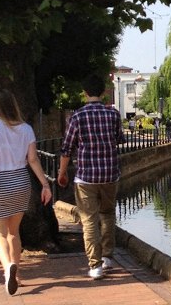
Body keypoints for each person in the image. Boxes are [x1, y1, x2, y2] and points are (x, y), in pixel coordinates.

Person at [0, 90, 52, 295]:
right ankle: (17, 276)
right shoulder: (26, 129)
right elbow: (33, 159)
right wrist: (45, 184)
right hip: (20, 182)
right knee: (13, 232)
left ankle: (8, 267)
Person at [57, 74, 125, 280]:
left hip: (86, 176)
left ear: (85, 93)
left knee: (89, 220)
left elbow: (67, 149)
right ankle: (108, 257)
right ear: (104, 92)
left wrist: (61, 173)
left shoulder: (76, 117)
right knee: (108, 214)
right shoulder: (113, 114)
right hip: (110, 174)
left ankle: (95, 266)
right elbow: (119, 139)